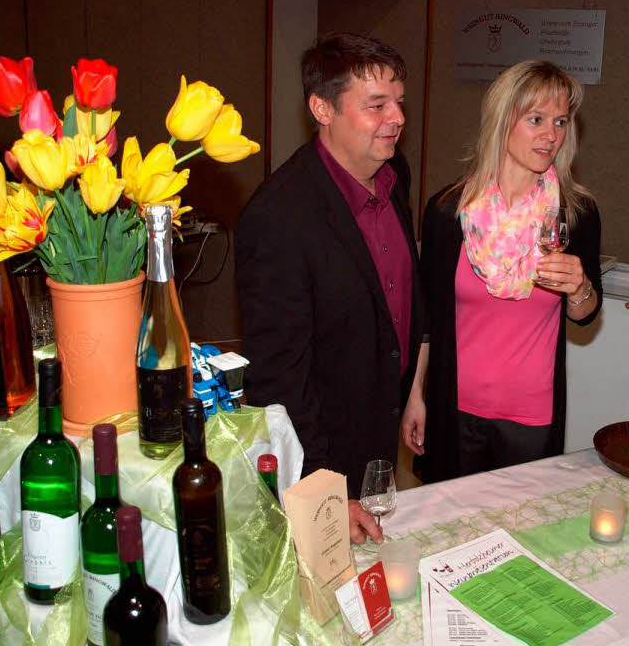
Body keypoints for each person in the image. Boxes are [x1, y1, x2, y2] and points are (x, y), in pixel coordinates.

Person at [236, 33, 427, 543]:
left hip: (381, 430)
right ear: (322, 107)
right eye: (376, 105)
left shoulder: (394, 174)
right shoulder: (278, 216)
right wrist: (322, 488)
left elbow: (400, 297)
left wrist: (413, 389)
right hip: (321, 456)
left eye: (399, 102)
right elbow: (277, 377)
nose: (397, 118)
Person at [403, 60, 602, 482]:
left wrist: (580, 287)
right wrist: (415, 395)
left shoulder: (575, 214)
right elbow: (427, 319)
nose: (551, 135)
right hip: (453, 408)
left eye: (561, 121)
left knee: (519, 538)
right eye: (536, 119)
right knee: (451, 536)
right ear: (502, 119)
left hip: (530, 418)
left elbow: (586, 313)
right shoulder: (448, 211)